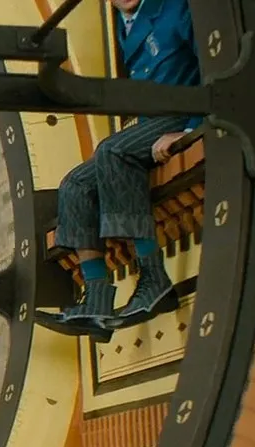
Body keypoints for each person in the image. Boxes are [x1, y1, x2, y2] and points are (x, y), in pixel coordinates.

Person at [52, 0, 202, 328]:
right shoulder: (124, 23)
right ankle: (96, 298)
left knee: (112, 151)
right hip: (151, 125)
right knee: (74, 185)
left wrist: (191, 129)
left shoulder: (174, 9)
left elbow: (213, 69)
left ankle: (154, 278)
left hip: (179, 116)